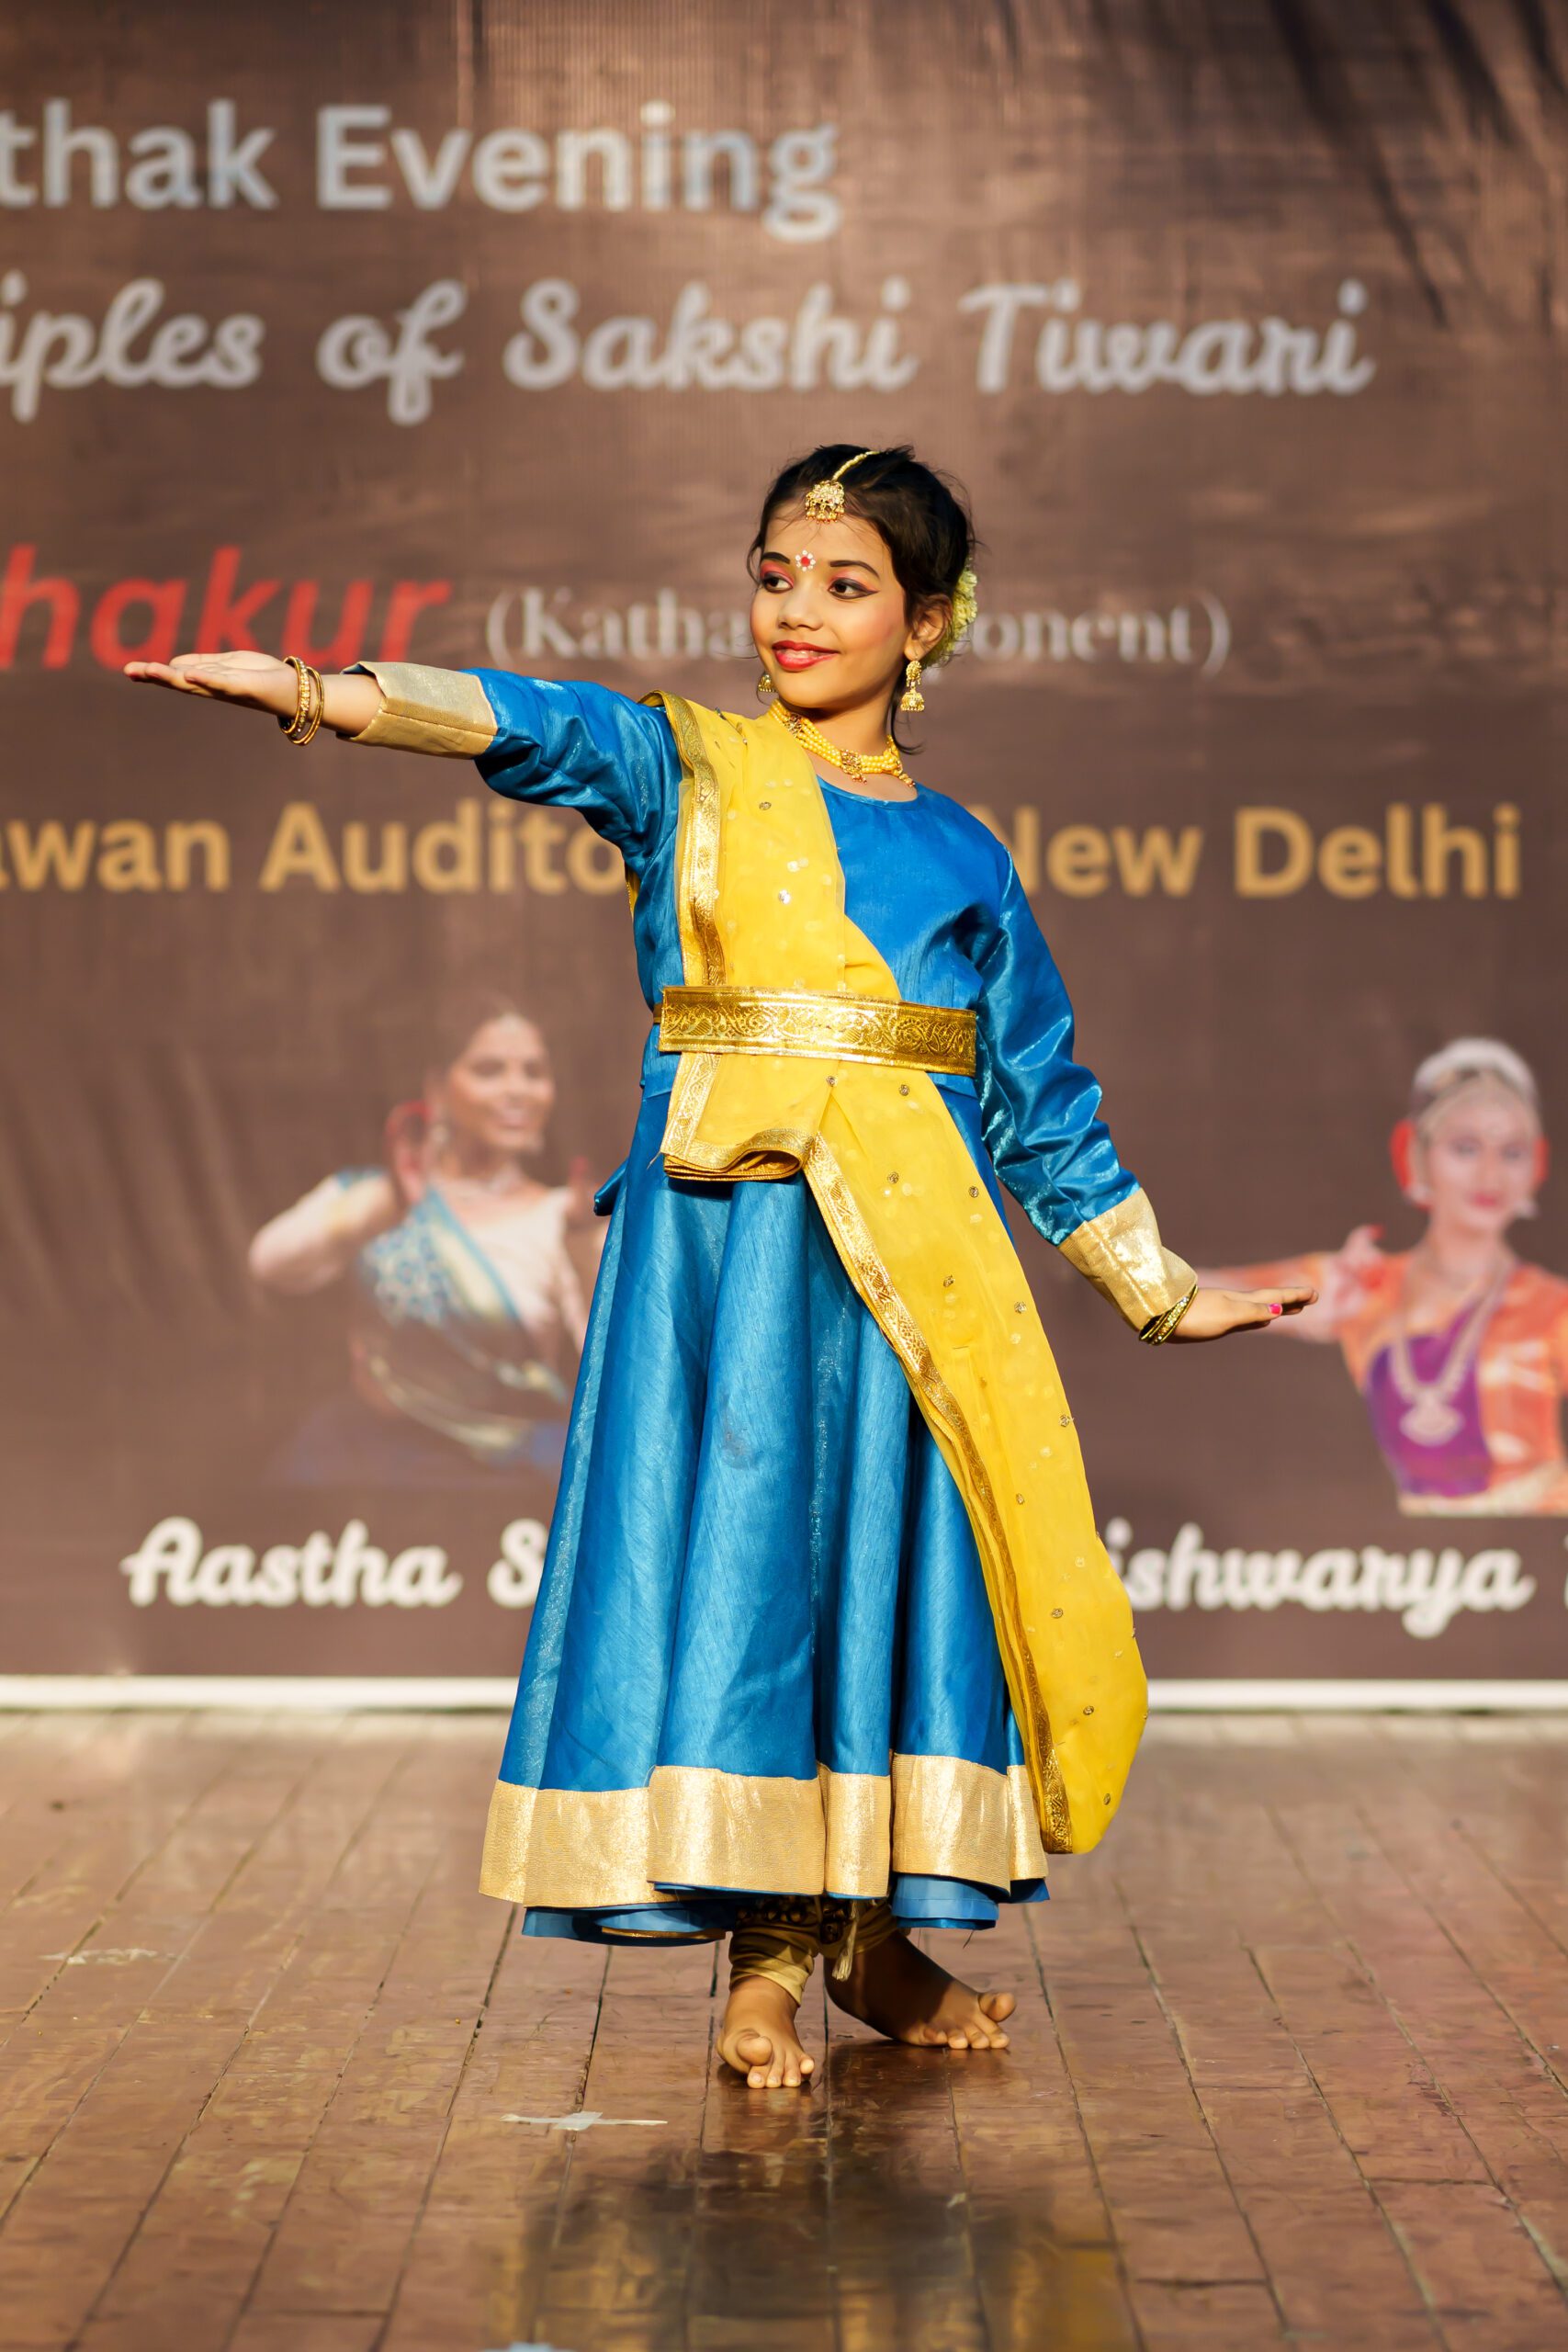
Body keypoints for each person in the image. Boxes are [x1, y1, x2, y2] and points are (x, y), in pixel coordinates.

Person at [125, 443, 1312, 2090]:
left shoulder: (965, 855)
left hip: (908, 1269)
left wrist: (1161, 1290)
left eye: (845, 584)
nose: (795, 612)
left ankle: (870, 1938)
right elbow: (535, 721)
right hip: (727, 1254)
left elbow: (1036, 1098)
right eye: (774, 576)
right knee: (753, 1574)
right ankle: (766, 1955)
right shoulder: (688, 768)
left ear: (927, 622)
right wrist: (323, 697)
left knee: (874, 1580)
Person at [1204, 1038, 1568, 1514]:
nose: (1490, 1174)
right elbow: (1173, 1294)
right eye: (1465, 1148)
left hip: (1539, 1540)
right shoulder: (1363, 1285)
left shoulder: (1552, 1307)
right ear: (1414, 1153)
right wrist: (1295, 1307)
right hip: (1409, 1549)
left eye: (1512, 1152)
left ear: (1537, 1163)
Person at [248, 997, 599, 1483]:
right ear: (438, 1089)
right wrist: (389, 1204)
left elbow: (611, 1358)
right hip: (370, 1465)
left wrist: (586, 1246)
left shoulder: (565, 1215)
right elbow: (269, 1265)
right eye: (490, 1070)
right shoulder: (372, 1198)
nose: (517, 1090)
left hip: (508, 1474)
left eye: (534, 1073)